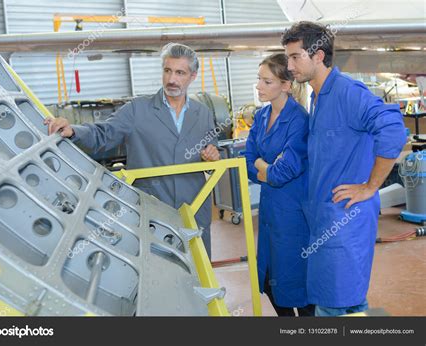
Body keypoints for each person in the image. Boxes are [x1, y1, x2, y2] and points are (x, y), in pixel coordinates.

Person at [45, 43, 220, 258]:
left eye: (180, 73)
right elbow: (104, 133)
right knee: (157, 274)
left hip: (194, 207)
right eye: (167, 71)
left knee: (200, 275)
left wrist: (213, 156)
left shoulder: (202, 114)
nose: (172, 79)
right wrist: (74, 131)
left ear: (193, 76)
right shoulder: (137, 110)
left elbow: (213, 153)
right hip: (154, 209)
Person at [282, 22, 406, 316]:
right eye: (287, 58)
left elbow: (393, 130)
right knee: (338, 302)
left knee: (339, 303)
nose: (289, 66)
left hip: (345, 218)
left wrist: (370, 186)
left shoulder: (347, 92)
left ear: (319, 56)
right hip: (325, 216)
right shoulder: (318, 97)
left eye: (295, 57)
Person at [244, 53, 314, 316]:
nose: (259, 87)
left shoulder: (299, 120)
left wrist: (265, 167)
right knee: (271, 281)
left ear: (286, 85)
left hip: (293, 213)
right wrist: (266, 167)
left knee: (297, 283)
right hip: (270, 211)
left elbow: (282, 173)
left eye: (267, 82)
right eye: (258, 80)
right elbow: (247, 161)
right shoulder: (261, 117)